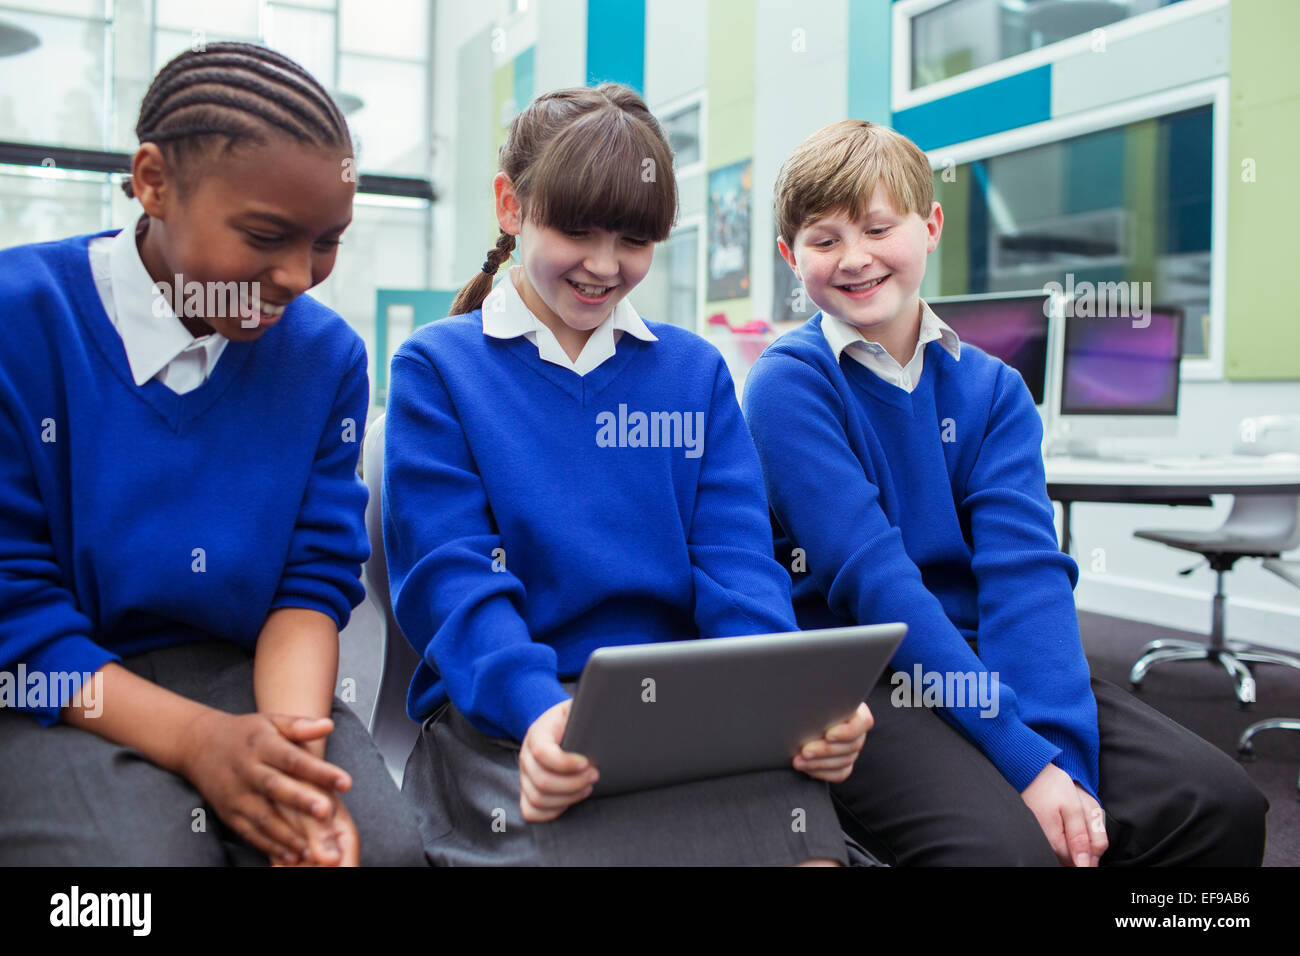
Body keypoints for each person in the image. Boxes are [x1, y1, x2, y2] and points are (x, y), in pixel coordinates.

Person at [742, 119, 1268, 866]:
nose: (854, 258)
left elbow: (1025, 579)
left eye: (878, 228)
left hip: (989, 654)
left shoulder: (994, 390)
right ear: (793, 258)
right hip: (867, 675)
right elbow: (878, 583)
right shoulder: (788, 385)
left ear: (931, 227)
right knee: (1004, 852)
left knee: (1219, 804)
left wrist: (1059, 765)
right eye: (824, 241)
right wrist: (1022, 761)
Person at [382, 84, 874, 866]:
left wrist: (789, 705)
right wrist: (541, 712)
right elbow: (454, 583)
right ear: (511, 205)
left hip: (684, 712)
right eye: (575, 231)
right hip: (510, 717)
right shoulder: (438, 370)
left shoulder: (694, 373)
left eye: (635, 240)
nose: (605, 266)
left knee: (805, 850)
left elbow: (740, 572)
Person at [0, 41, 424, 866]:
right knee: (138, 867)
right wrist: (201, 745)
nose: (300, 276)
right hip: (49, 683)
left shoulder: (324, 357)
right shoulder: (21, 321)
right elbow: (14, 612)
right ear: (153, 182)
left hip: (250, 673)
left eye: (327, 242)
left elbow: (311, 580)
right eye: (265, 235)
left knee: (377, 851)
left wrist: (291, 751)